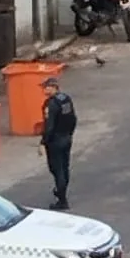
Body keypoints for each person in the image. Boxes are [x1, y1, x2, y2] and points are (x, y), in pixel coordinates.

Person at [38, 76, 77, 211]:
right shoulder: (65, 99)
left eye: (46, 87)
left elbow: (49, 126)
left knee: (56, 169)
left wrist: (43, 142)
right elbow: (73, 118)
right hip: (66, 138)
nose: (44, 89)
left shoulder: (51, 104)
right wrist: (70, 133)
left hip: (55, 141)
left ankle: (62, 199)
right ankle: (61, 190)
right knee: (65, 167)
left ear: (53, 87)